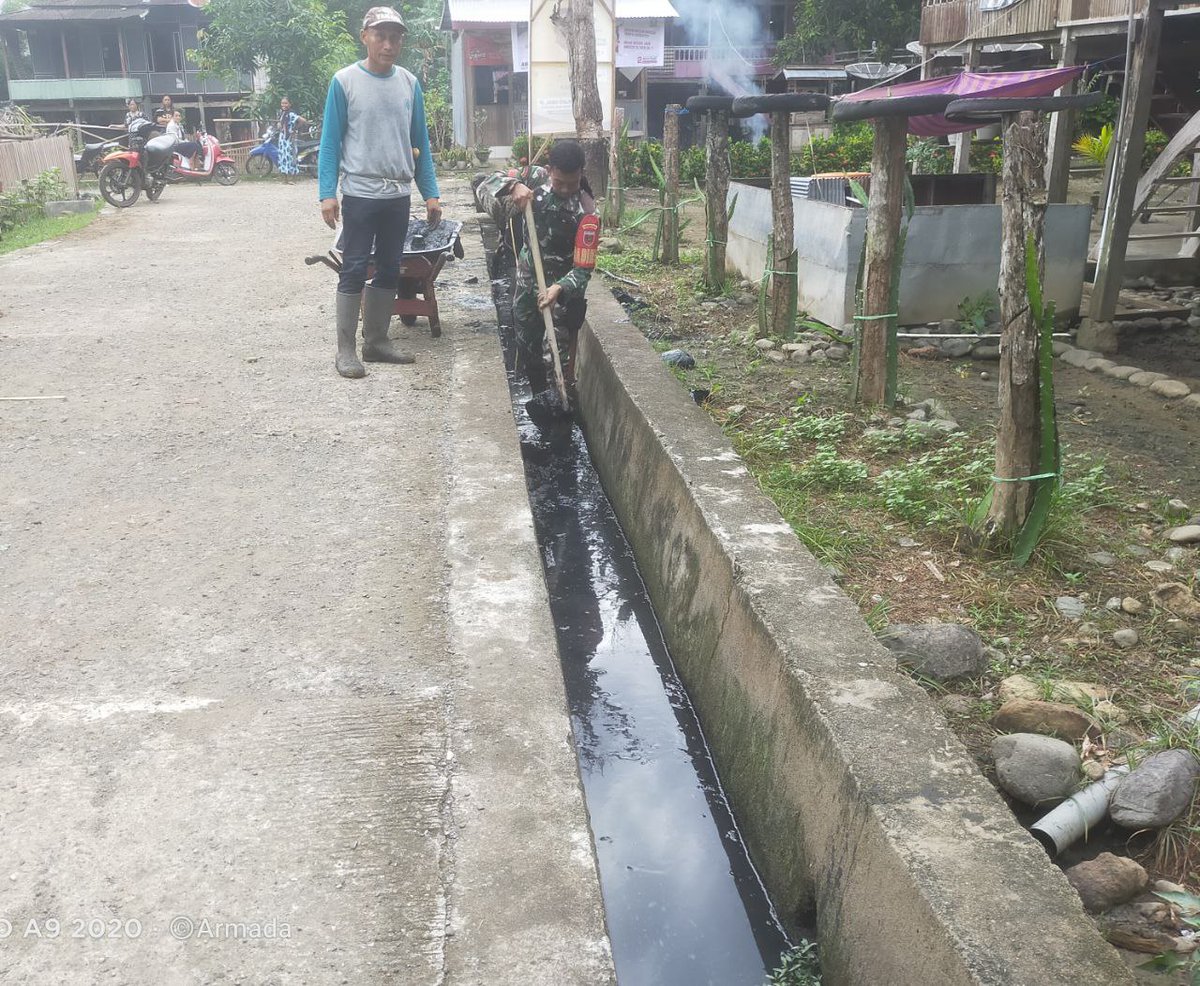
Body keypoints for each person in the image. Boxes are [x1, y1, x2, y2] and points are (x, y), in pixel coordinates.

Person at [317, 6, 441, 378]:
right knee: (354, 267)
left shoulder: (409, 84)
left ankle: (376, 342)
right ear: (365, 37)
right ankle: (345, 350)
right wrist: (327, 193)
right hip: (360, 193)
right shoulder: (345, 82)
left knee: (389, 266)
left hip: (397, 195)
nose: (388, 45)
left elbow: (420, 144)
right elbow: (330, 143)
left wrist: (430, 193)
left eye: (395, 38)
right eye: (381, 36)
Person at [475, 140, 599, 396]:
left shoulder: (587, 212)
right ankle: (538, 396)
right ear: (549, 170)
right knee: (527, 345)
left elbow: (583, 270)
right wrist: (514, 185)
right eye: (559, 182)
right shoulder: (534, 177)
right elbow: (486, 183)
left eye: (572, 183)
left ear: (581, 174)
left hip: (562, 293)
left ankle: (560, 399)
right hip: (527, 281)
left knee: (557, 357)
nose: (565, 189)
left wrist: (559, 288)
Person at [276, 97, 309, 185]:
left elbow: (303, 121)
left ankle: (293, 179)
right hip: (282, 139)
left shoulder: (291, 114)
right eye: (282, 103)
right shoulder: (282, 113)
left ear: (290, 104)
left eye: (286, 103)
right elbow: (281, 124)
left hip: (289, 139)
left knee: (291, 157)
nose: (284, 105)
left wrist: (294, 129)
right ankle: (285, 179)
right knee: (283, 157)